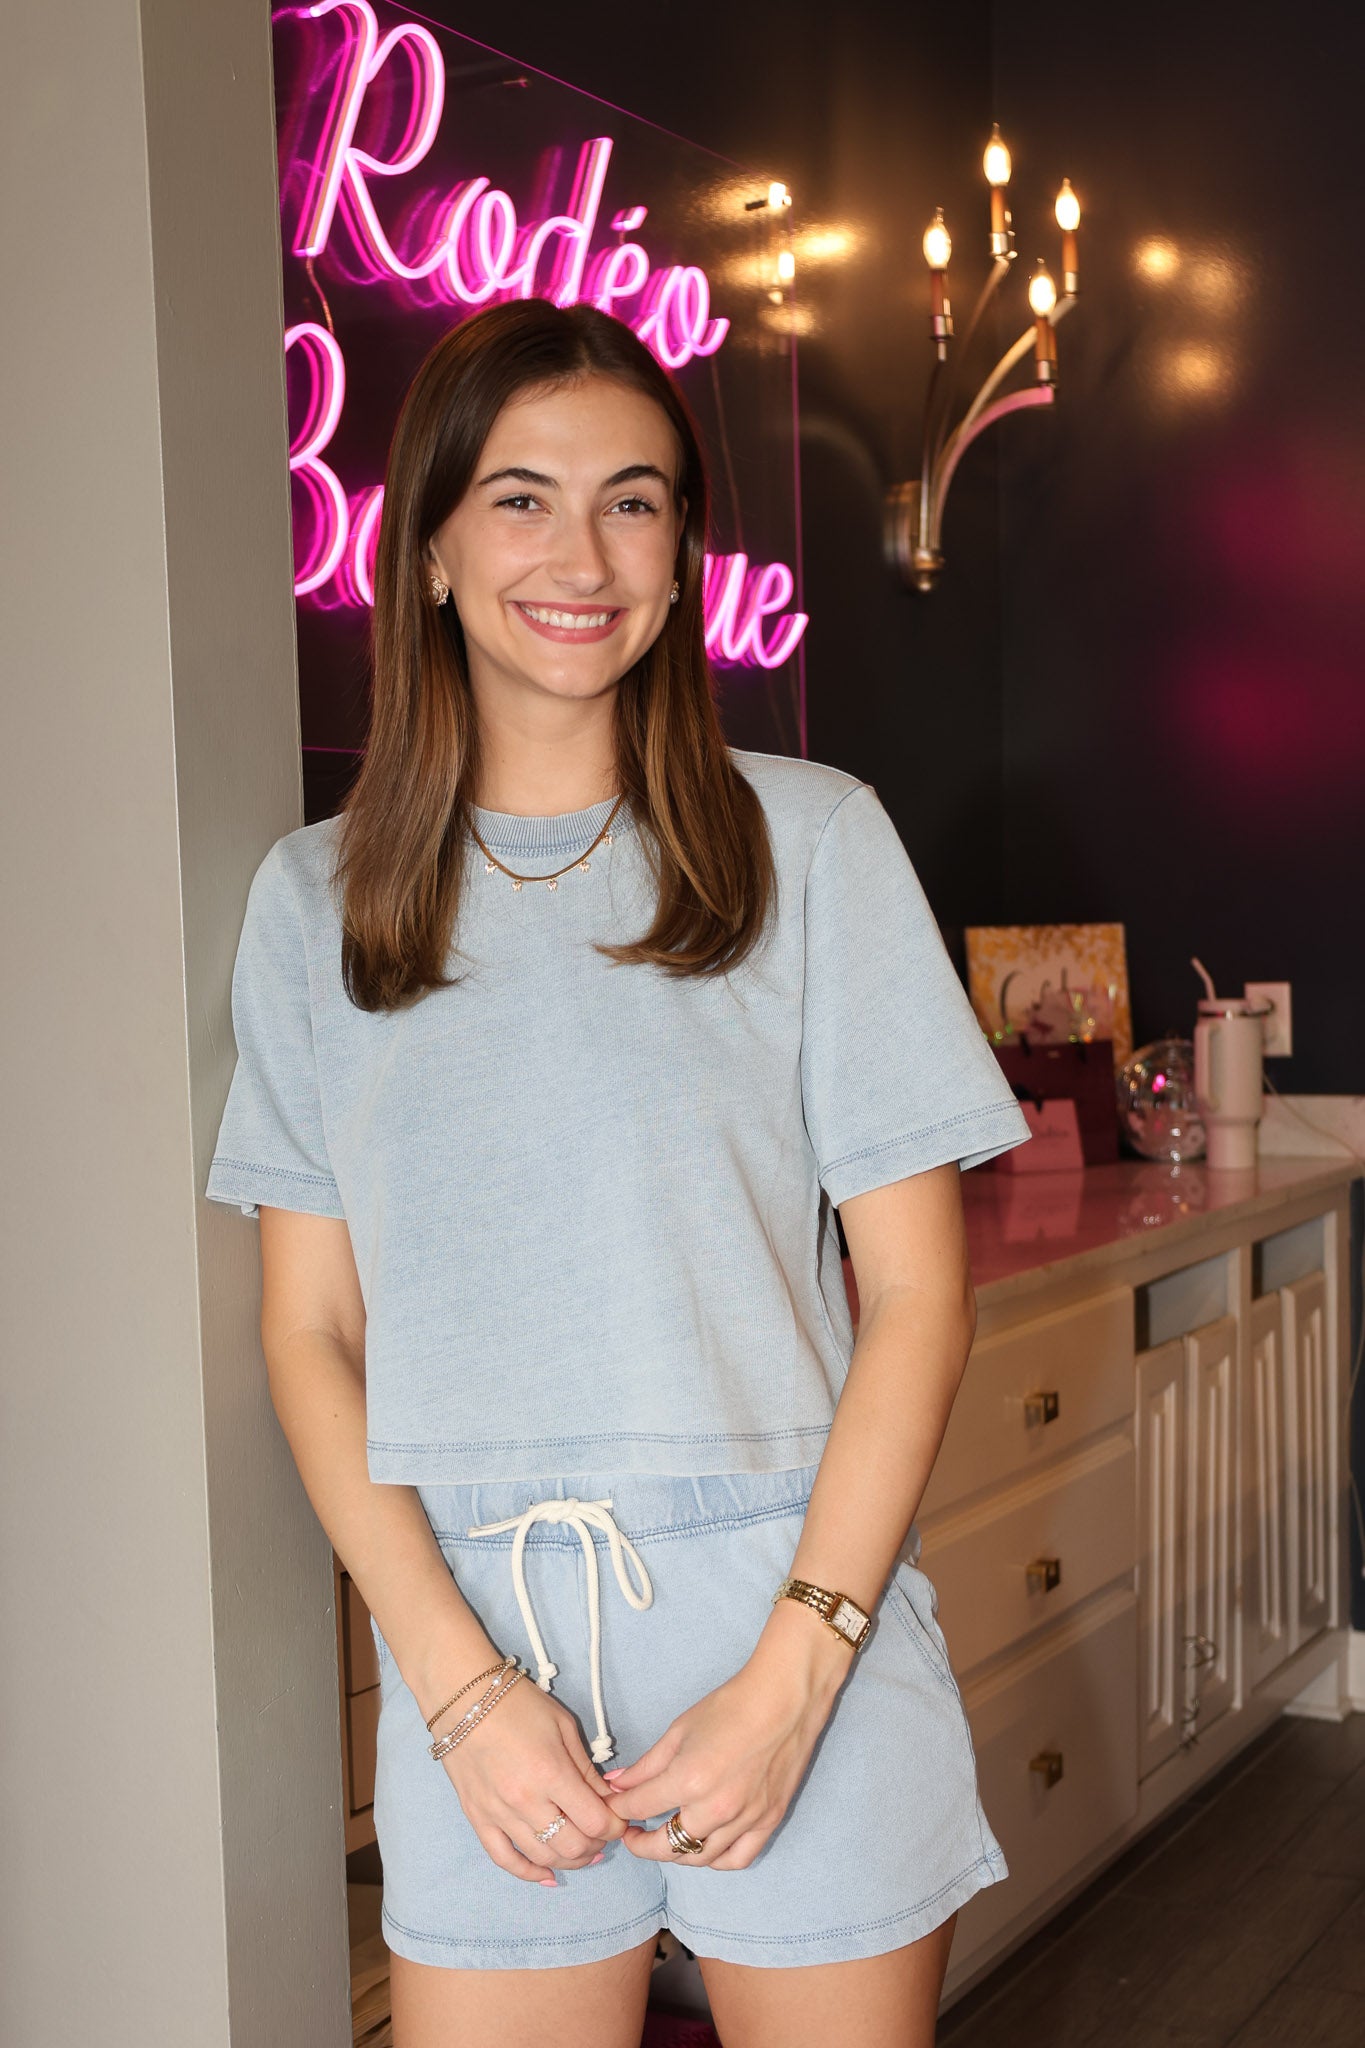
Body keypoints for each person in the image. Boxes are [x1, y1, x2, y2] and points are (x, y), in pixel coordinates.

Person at [205, 296, 1031, 2048]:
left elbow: (915, 1296)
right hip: (477, 1643)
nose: (580, 552)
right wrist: (456, 1693)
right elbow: (310, 1338)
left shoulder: (806, 844)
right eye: (518, 498)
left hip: (793, 1599)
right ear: (424, 545)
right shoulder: (315, 904)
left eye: (634, 499)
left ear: (679, 554)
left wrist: (794, 1680)